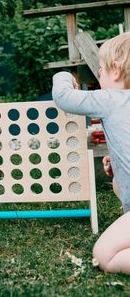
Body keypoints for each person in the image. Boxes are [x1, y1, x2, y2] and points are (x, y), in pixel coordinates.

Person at [52, 31, 130, 275]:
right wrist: (117, 162)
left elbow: (64, 97)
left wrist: (64, 75)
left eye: (101, 73)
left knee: (104, 255)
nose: (99, 78)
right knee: (118, 182)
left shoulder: (111, 98)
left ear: (115, 70)